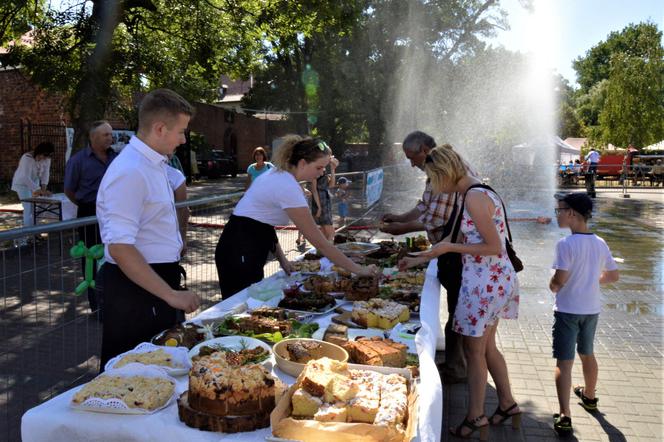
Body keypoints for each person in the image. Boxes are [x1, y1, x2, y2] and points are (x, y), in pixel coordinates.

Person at [399, 146, 520, 440]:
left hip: (485, 283)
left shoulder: (475, 198)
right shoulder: (475, 192)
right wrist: (419, 258)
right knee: (487, 348)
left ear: (444, 174)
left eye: (434, 179)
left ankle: (475, 416)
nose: (435, 187)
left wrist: (450, 248)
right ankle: (507, 403)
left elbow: (493, 246)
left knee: (473, 352)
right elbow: (454, 239)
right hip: (493, 280)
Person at [96, 89, 201, 369]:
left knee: (159, 371)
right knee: (130, 376)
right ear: (159, 128)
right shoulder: (130, 171)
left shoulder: (153, 164)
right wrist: (170, 294)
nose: (183, 139)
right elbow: (119, 247)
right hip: (137, 290)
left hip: (153, 282)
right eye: (181, 131)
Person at [215, 135, 378, 299]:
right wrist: (359, 270)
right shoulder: (287, 186)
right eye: (319, 168)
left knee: (248, 302)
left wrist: (283, 260)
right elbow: (321, 242)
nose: (322, 173)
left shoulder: (280, 176)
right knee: (239, 305)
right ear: (302, 163)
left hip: (245, 245)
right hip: (239, 249)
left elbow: (264, 225)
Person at [380, 131, 473, 385]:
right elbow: (425, 206)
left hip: (456, 253)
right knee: (456, 307)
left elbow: (438, 218)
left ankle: (457, 368)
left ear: (423, 149)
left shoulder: (444, 167)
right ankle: (458, 362)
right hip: (449, 250)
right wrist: (401, 218)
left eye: (412, 157)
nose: (411, 163)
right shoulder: (437, 166)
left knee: (456, 309)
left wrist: (403, 229)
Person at [549, 192, 619, 436]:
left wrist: (553, 285)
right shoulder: (599, 242)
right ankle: (590, 396)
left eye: (558, 210)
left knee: (564, 363)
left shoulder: (565, 244)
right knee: (587, 353)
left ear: (571, 214)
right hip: (591, 310)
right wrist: (592, 280)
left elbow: (559, 280)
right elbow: (612, 275)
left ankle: (565, 414)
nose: (556, 214)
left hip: (568, 310)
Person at [64, 121, 117, 314]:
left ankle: (113, 299)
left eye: (111, 134)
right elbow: (69, 190)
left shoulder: (116, 158)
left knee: (115, 253)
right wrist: (86, 206)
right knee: (91, 258)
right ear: (93, 137)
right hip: (89, 212)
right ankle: (97, 305)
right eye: (106, 135)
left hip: (114, 212)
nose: (111, 138)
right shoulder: (78, 161)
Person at [11, 142, 55, 229]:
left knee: (40, 205)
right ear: (39, 151)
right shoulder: (27, 158)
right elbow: (25, 177)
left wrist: (44, 189)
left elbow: (45, 174)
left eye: (47, 156)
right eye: (44, 155)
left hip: (34, 182)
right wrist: (39, 190)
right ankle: (28, 232)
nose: (45, 158)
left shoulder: (47, 159)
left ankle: (34, 228)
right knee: (28, 208)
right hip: (22, 184)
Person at [311, 152, 338, 241]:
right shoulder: (315, 169)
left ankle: (321, 252)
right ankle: (329, 253)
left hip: (326, 200)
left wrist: (333, 169)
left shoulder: (324, 169)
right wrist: (318, 207)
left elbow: (331, 185)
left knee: (325, 231)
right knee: (330, 232)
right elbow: (314, 190)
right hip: (320, 202)